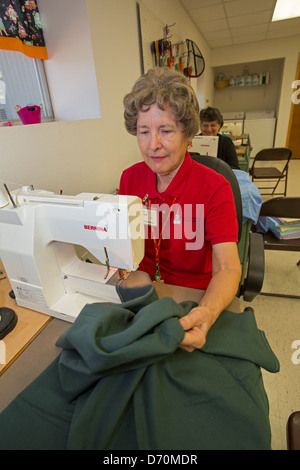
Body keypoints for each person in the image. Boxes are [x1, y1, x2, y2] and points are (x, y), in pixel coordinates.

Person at [119, 67, 241, 352]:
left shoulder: (215, 187)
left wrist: (206, 314)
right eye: (144, 131)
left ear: (188, 134)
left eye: (166, 130)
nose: (154, 145)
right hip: (146, 290)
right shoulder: (129, 179)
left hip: (196, 295)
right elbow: (124, 248)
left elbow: (228, 267)